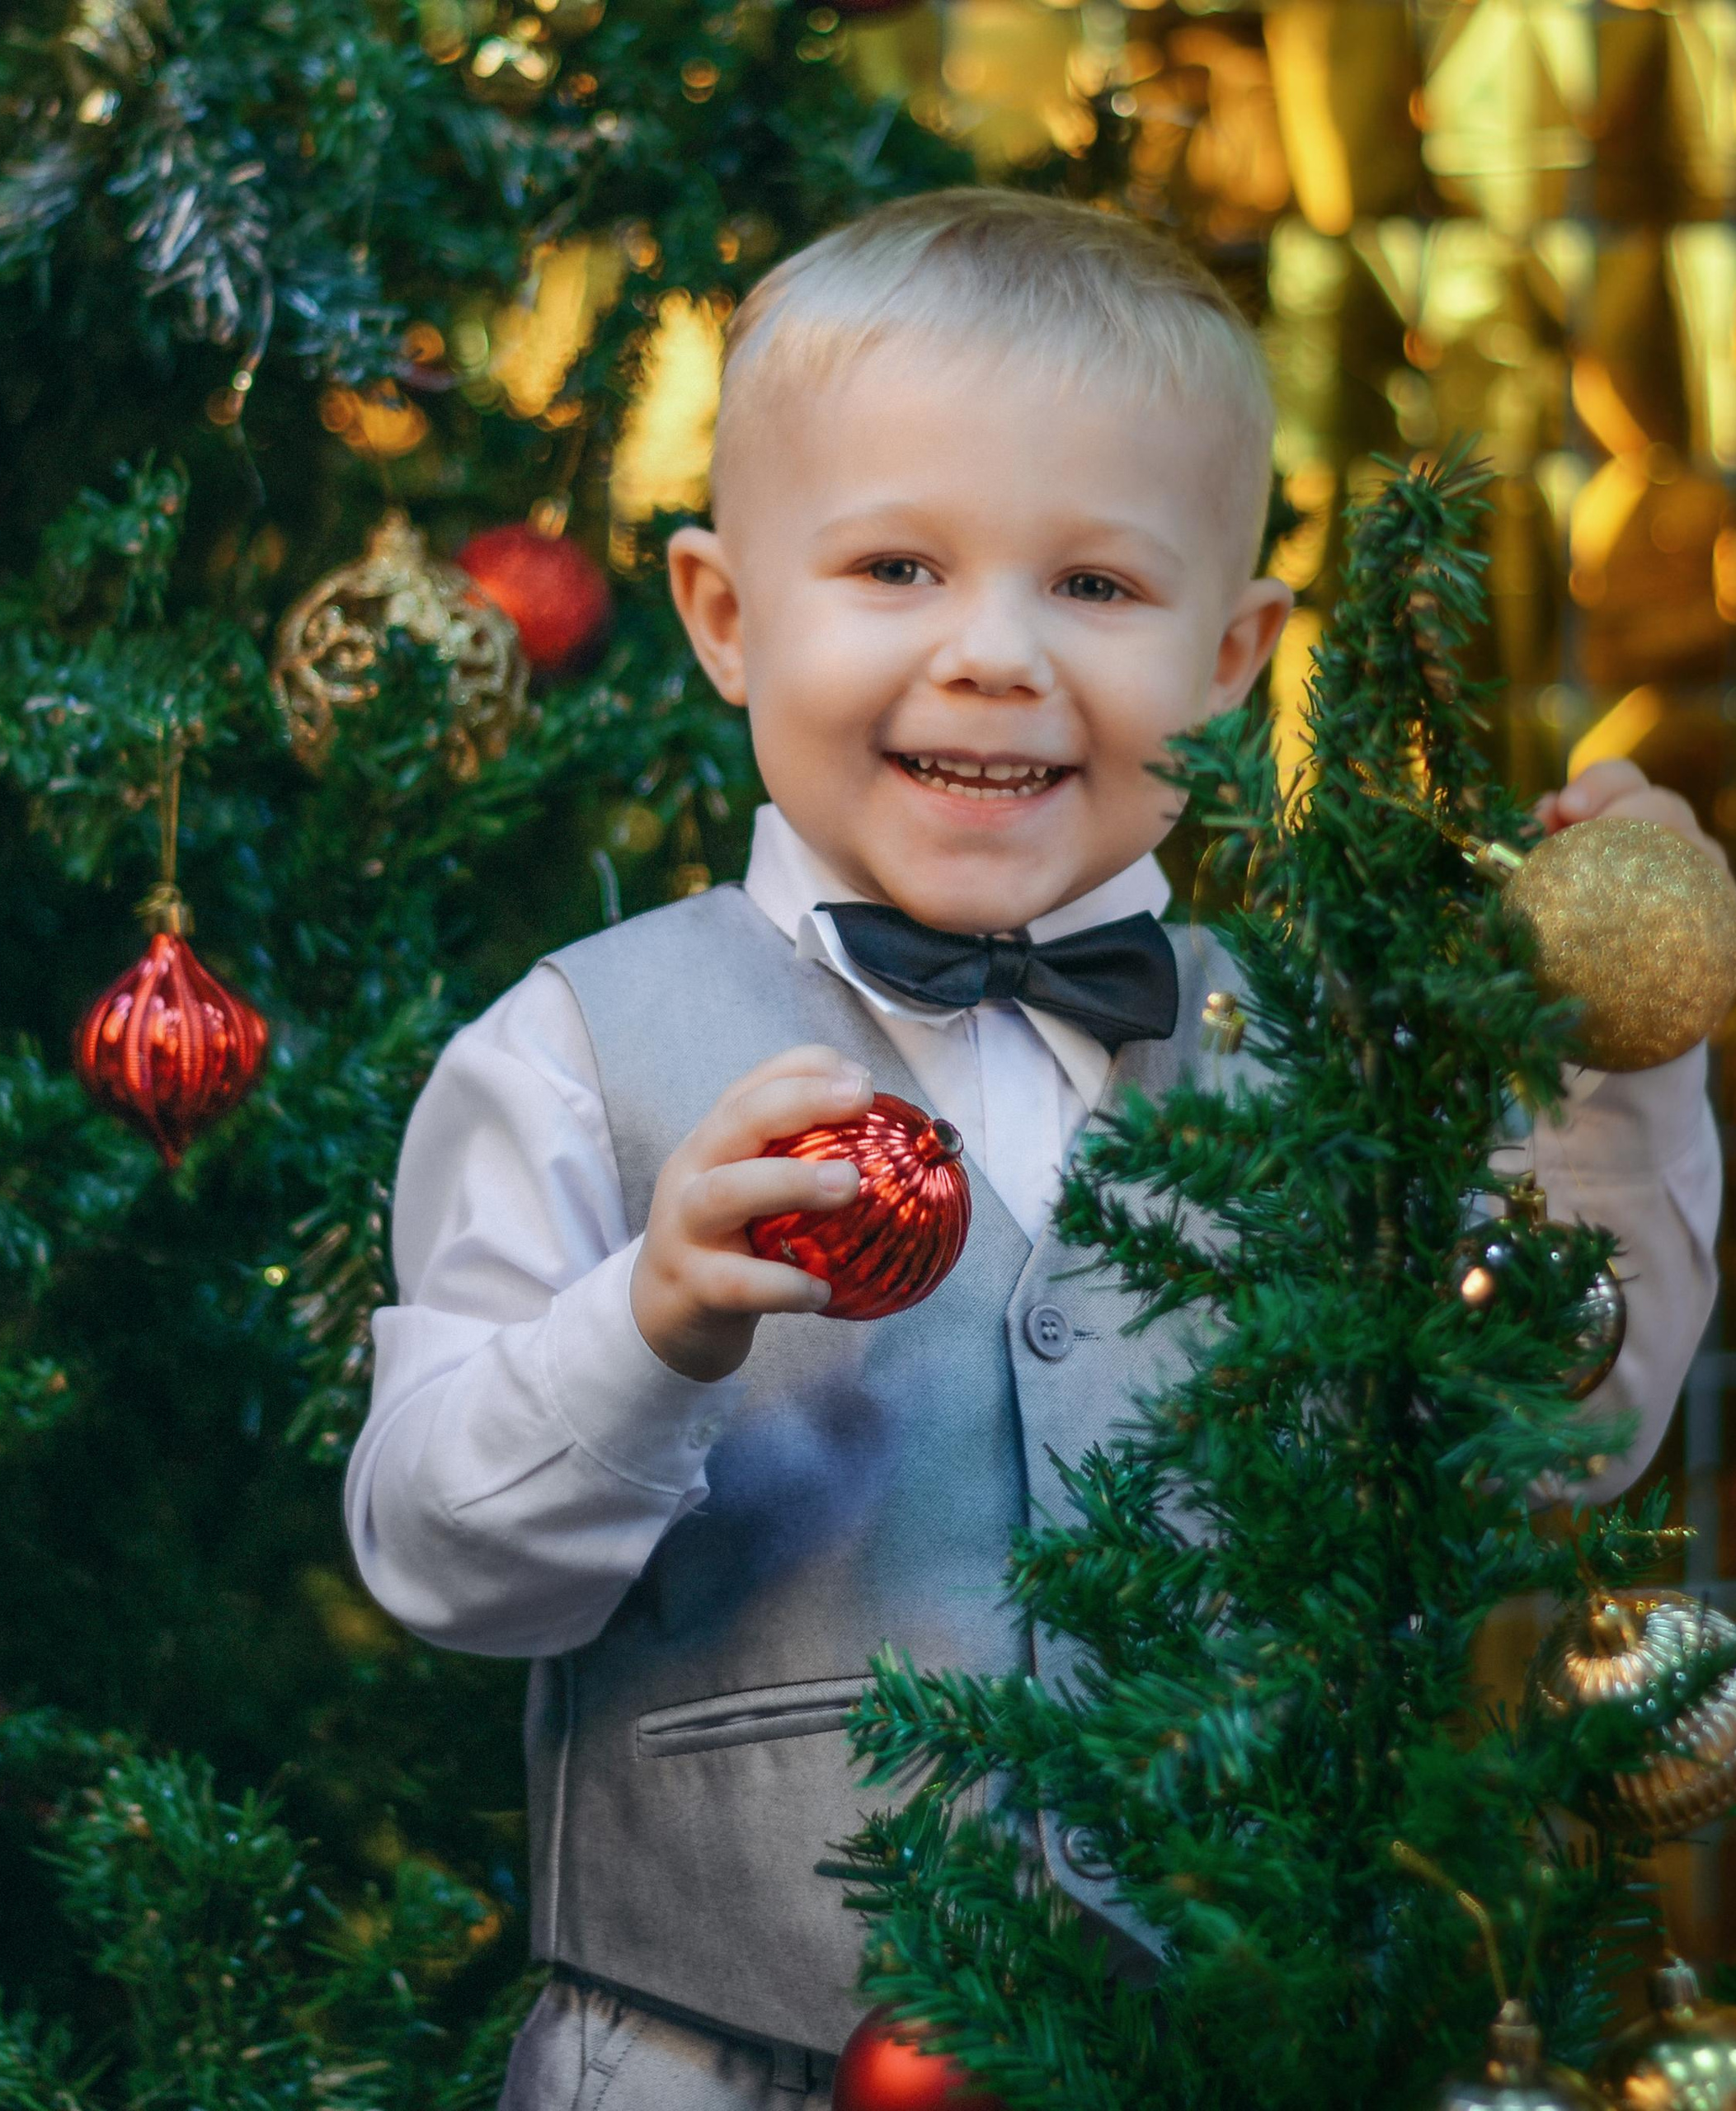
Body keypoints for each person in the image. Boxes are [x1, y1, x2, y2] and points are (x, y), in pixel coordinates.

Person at [344, 190, 1724, 2111]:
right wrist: (638, 1325)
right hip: (715, 2060)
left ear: (1233, 656)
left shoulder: (1325, 1060)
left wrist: (1611, 1058)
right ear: (725, 617)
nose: (992, 654)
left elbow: (1554, 1425)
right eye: (896, 566)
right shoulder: (573, 1053)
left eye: (1092, 586)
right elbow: (438, 1558)